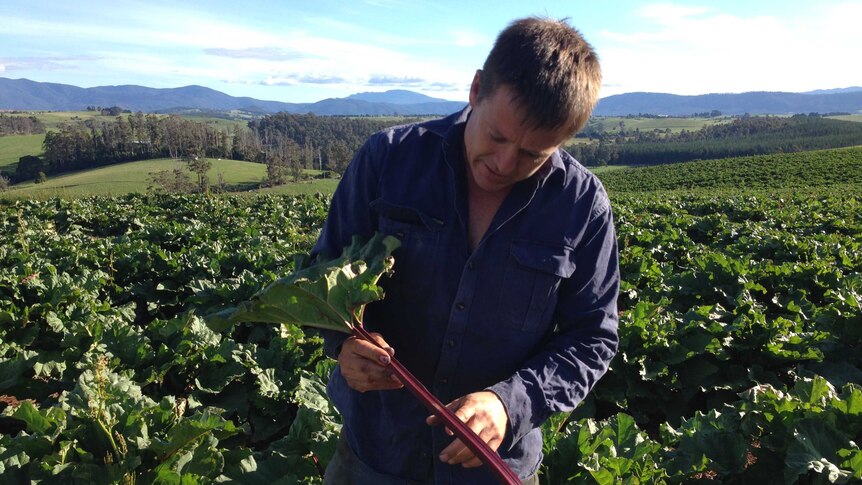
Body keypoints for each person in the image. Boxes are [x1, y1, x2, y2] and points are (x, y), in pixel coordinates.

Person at [312, 16, 619, 484]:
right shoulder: (387, 160)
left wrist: (510, 404)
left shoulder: (582, 205)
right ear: (476, 89)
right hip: (375, 452)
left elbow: (593, 337)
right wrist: (344, 344)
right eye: (497, 136)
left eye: (533, 155)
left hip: (494, 470)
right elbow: (323, 273)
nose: (503, 164)